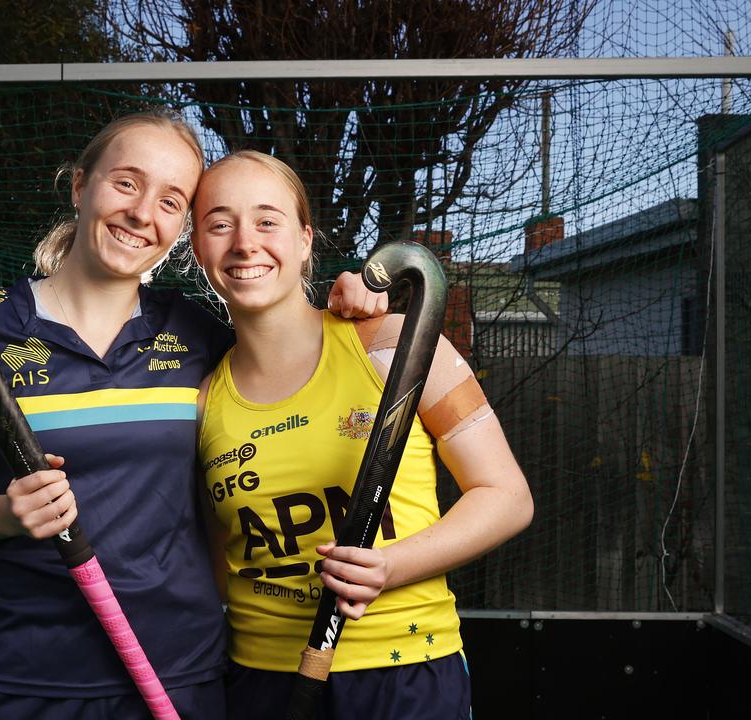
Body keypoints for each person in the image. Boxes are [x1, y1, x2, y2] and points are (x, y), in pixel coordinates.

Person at [0, 111, 387, 720]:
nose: (142, 212)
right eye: (126, 183)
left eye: (171, 200)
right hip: (29, 679)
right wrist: (4, 511)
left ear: (180, 227)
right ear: (80, 186)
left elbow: (290, 345)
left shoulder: (199, 334)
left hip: (181, 673)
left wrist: (354, 299)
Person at [191, 151, 534, 719]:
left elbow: (507, 497)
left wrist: (390, 566)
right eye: (220, 223)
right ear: (199, 247)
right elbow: (217, 567)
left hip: (405, 672)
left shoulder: (393, 345)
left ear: (305, 240)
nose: (245, 242)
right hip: (259, 680)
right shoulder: (204, 401)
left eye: (267, 220)